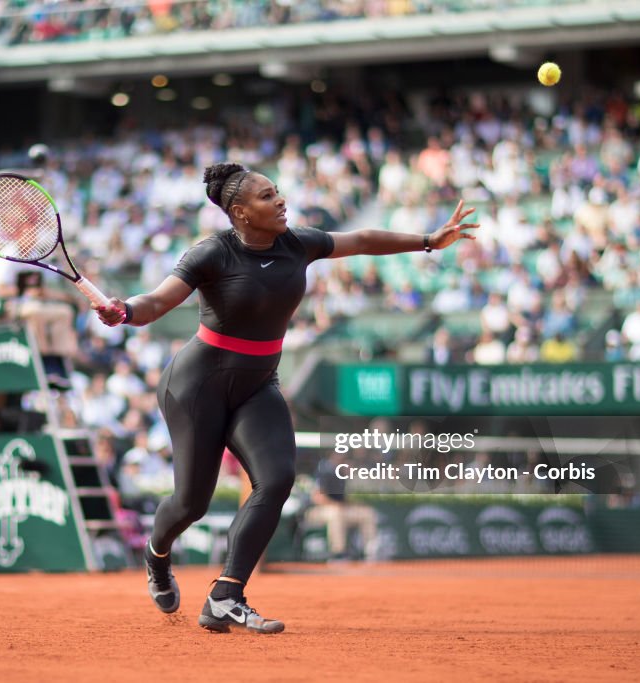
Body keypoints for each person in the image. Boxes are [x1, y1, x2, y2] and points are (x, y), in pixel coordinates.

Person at [95, 162, 478, 634]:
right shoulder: (211, 253)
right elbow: (156, 302)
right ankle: (157, 557)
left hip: (258, 383)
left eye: (277, 191)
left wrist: (427, 240)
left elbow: (360, 240)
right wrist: (125, 310)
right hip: (197, 385)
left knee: (276, 480)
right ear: (239, 212)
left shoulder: (299, 242)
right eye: (267, 196)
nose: (280, 200)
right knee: (191, 503)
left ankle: (225, 595)